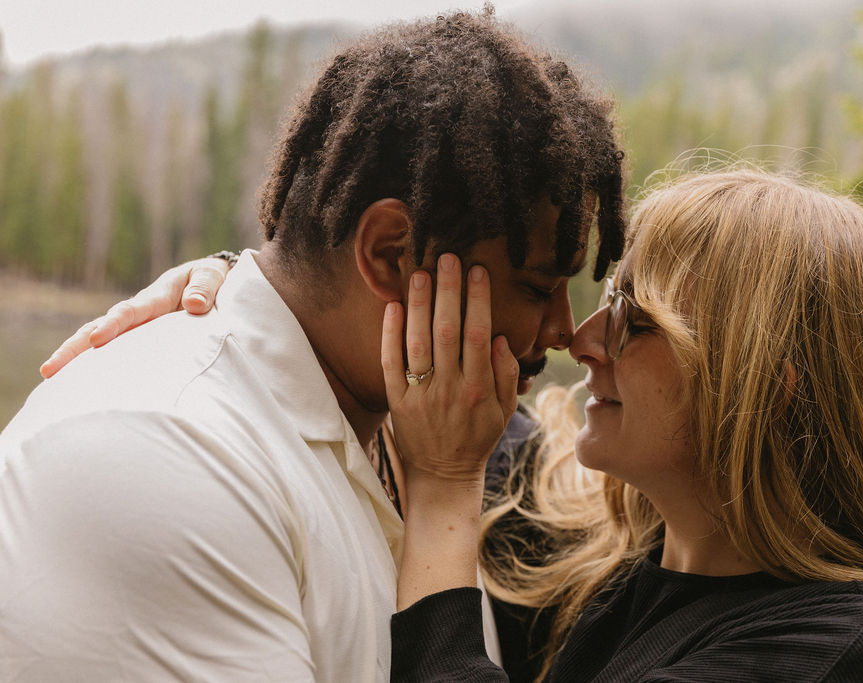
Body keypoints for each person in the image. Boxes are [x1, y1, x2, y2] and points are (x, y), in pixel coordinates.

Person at [0, 9, 626, 681]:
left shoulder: (437, 436)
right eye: (536, 287)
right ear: (389, 254)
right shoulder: (166, 457)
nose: (565, 330)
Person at [383, 169, 863, 681]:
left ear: (761, 392)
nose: (581, 342)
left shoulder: (851, 645)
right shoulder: (617, 575)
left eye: (633, 320)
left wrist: (443, 481)